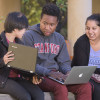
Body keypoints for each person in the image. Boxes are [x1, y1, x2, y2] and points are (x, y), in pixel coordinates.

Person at [22, 3, 92, 100]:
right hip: (39, 76)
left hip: (57, 76)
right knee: (60, 88)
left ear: (57, 23)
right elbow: (28, 64)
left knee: (85, 86)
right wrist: (49, 73)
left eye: (51, 25)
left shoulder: (59, 38)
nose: (47, 27)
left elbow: (63, 62)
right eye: (44, 23)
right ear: (40, 20)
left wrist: (68, 72)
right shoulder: (29, 36)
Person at [0, 12, 44, 100]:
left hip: (17, 78)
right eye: (24, 28)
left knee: (39, 95)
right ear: (15, 29)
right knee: (25, 97)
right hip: (3, 79)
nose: (25, 31)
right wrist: (3, 61)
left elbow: (24, 67)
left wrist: (33, 76)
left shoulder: (20, 43)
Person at [71, 13, 100, 100]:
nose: (90, 32)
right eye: (87, 28)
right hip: (84, 77)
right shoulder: (81, 43)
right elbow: (83, 69)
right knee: (97, 89)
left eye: (94, 28)